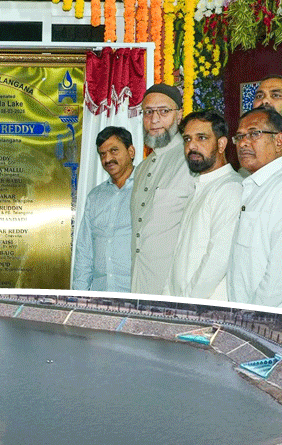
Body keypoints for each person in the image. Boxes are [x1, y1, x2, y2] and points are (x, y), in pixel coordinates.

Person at [227, 107, 282, 308]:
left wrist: (252, 314)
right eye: (239, 136)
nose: (243, 143)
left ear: (279, 141)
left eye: (254, 134)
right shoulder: (254, 186)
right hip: (243, 312)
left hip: (266, 316)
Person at [164, 110, 242, 300]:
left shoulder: (230, 188)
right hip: (183, 303)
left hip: (206, 306)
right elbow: (179, 256)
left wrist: (188, 302)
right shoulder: (200, 187)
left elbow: (217, 259)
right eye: (187, 139)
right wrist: (169, 298)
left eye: (202, 138)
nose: (192, 146)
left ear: (221, 144)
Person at [130, 83, 194, 293]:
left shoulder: (191, 162)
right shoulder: (141, 168)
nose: (154, 119)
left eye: (164, 111)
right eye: (148, 112)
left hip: (175, 288)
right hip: (139, 282)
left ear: (179, 115)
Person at [73, 126, 136, 292]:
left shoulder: (146, 189)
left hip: (135, 293)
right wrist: (78, 295)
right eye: (102, 154)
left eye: (114, 151)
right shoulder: (95, 197)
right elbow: (84, 252)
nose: (107, 159)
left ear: (131, 152)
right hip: (101, 293)